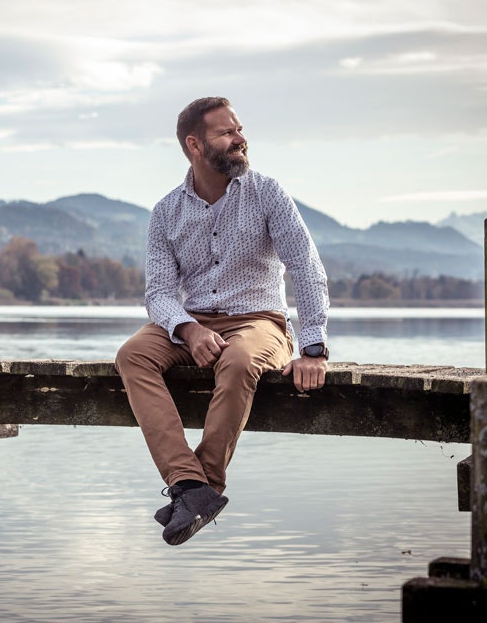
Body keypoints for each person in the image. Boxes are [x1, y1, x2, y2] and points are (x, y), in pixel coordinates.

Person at [115, 97, 330, 546]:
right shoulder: (165, 212)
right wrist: (188, 329)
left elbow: (306, 267)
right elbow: (157, 293)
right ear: (195, 145)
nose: (240, 139)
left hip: (260, 322)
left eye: (239, 129)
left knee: (237, 361)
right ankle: (190, 485)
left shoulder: (267, 193)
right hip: (192, 323)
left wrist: (313, 349)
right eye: (226, 133)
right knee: (132, 354)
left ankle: (202, 485)